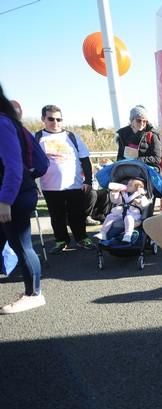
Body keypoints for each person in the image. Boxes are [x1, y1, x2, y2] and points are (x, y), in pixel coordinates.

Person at [0, 84, 45, 314]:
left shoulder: (2, 123)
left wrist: (6, 199)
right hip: (19, 192)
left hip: (11, 196)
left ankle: (33, 294)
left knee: (21, 244)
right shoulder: (15, 124)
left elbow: (13, 166)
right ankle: (33, 292)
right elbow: (41, 162)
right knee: (19, 244)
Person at [36, 104, 95, 253]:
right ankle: (61, 240)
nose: (55, 122)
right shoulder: (36, 138)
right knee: (57, 216)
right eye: (51, 119)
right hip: (50, 186)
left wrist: (88, 180)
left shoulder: (72, 137)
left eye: (59, 119)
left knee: (77, 214)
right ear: (43, 119)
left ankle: (82, 238)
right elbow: (29, 161)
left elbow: (85, 160)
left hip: (73, 185)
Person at [94, 178, 151, 243]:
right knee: (109, 217)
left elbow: (145, 204)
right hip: (120, 213)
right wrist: (115, 192)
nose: (127, 185)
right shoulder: (123, 193)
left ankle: (128, 235)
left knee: (128, 218)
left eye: (130, 185)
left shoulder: (140, 195)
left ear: (137, 188)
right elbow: (115, 201)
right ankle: (103, 233)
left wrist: (139, 202)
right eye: (127, 184)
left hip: (133, 215)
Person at [115, 105, 162, 171]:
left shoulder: (152, 134)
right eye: (139, 120)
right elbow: (120, 156)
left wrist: (137, 160)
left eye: (144, 121)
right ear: (131, 121)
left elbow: (157, 158)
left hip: (147, 168)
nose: (142, 123)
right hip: (128, 166)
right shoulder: (123, 134)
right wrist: (124, 162)